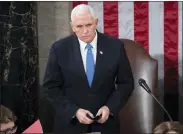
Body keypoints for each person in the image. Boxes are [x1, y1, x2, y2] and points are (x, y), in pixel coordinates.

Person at [42, 4, 134, 134]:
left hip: (106, 124)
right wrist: (74, 111)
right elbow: (50, 87)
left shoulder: (115, 46)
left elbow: (126, 83)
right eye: (79, 26)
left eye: (89, 25)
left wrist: (110, 108)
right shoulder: (59, 49)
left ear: (96, 22)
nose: (85, 31)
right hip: (70, 125)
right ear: (72, 26)